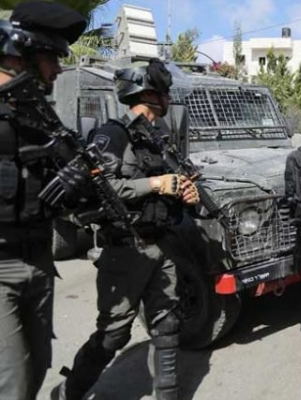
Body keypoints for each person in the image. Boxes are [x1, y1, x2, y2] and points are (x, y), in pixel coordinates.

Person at [51, 59, 200, 400]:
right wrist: (156, 183)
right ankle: (68, 392)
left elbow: (171, 186)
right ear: (147, 94)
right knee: (114, 333)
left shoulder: (157, 138)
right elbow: (102, 188)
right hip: (126, 248)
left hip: (162, 243)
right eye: (163, 92)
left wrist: (185, 193)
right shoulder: (112, 134)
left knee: (167, 324)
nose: (168, 98)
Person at [0, 3, 87, 399]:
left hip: (39, 257)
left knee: (37, 366)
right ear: (24, 53)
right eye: (52, 57)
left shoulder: (37, 114)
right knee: (13, 384)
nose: (59, 69)